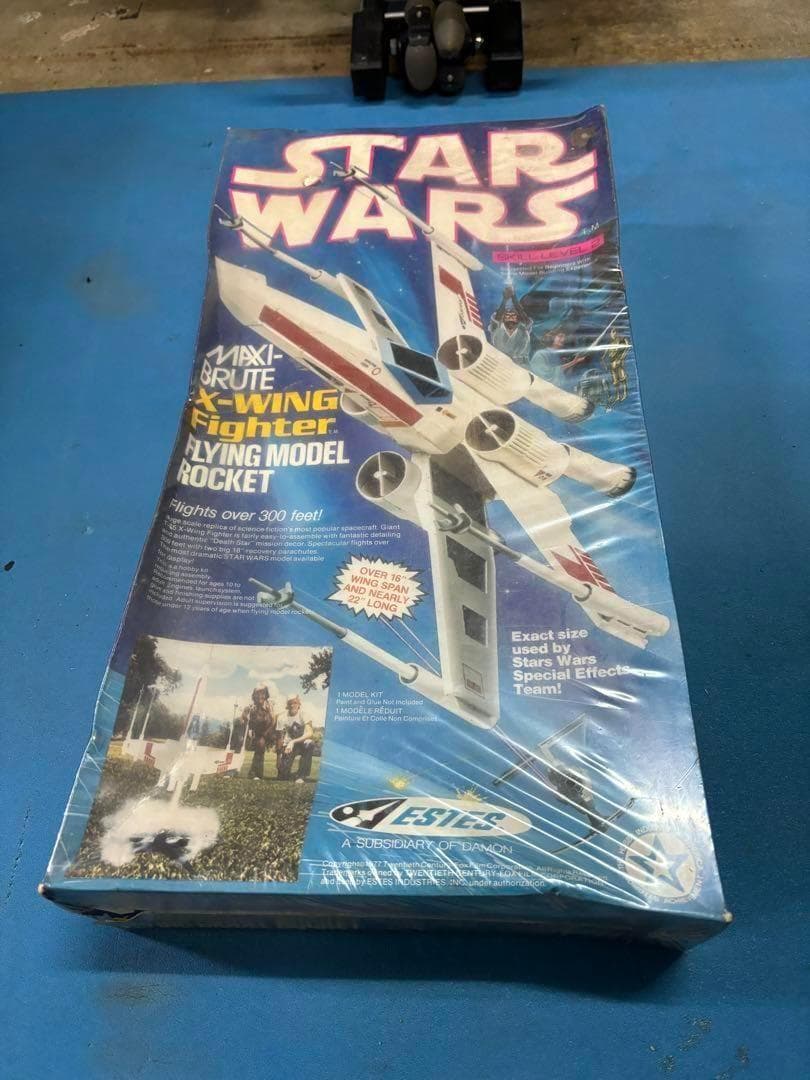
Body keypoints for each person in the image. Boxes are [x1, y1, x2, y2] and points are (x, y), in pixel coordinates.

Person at [488, 285, 532, 366]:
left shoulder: (523, 329)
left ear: (518, 318)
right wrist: (504, 300)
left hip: (521, 366)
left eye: (513, 315)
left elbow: (525, 318)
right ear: (503, 318)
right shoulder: (497, 329)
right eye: (507, 315)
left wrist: (514, 298)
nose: (510, 316)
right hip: (500, 364)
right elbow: (497, 318)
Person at [277, 696, 315, 782]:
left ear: (299, 704)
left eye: (295, 703)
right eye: (290, 703)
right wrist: (278, 758)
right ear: (287, 705)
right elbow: (279, 737)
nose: (292, 705)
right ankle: (292, 774)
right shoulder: (281, 717)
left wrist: (293, 741)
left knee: (310, 744)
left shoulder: (304, 715)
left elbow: (310, 733)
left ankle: (301, 775)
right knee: (282, 776)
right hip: (288, 747)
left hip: (301, 743)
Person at [247, 686, 277, 780]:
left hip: (270, 730)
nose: (260, 696)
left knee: (261, 744)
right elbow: (250, 721)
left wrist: (267, 733)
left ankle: (256, 774)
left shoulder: (269, 705)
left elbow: (273, 721)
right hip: (259, 732)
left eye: (263, 693)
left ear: (266, 695)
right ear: (254, 695)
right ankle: (255, 773)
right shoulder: (252, 707)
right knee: (259, 747)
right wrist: (250, 730)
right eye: (257, 693)